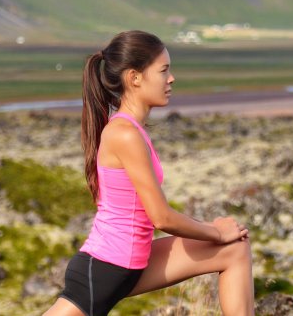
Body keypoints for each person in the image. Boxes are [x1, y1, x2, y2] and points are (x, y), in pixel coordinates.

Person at [44, 30, 253, 316]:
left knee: (235, 249)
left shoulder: (133, 130)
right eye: (164, 70)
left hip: (134, 263)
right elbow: (161, 217)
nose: (171, 78)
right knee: (227, 242)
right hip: (105, 270)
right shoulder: (124, 134)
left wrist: (218, 234)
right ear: (135, 78)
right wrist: (215, 231)